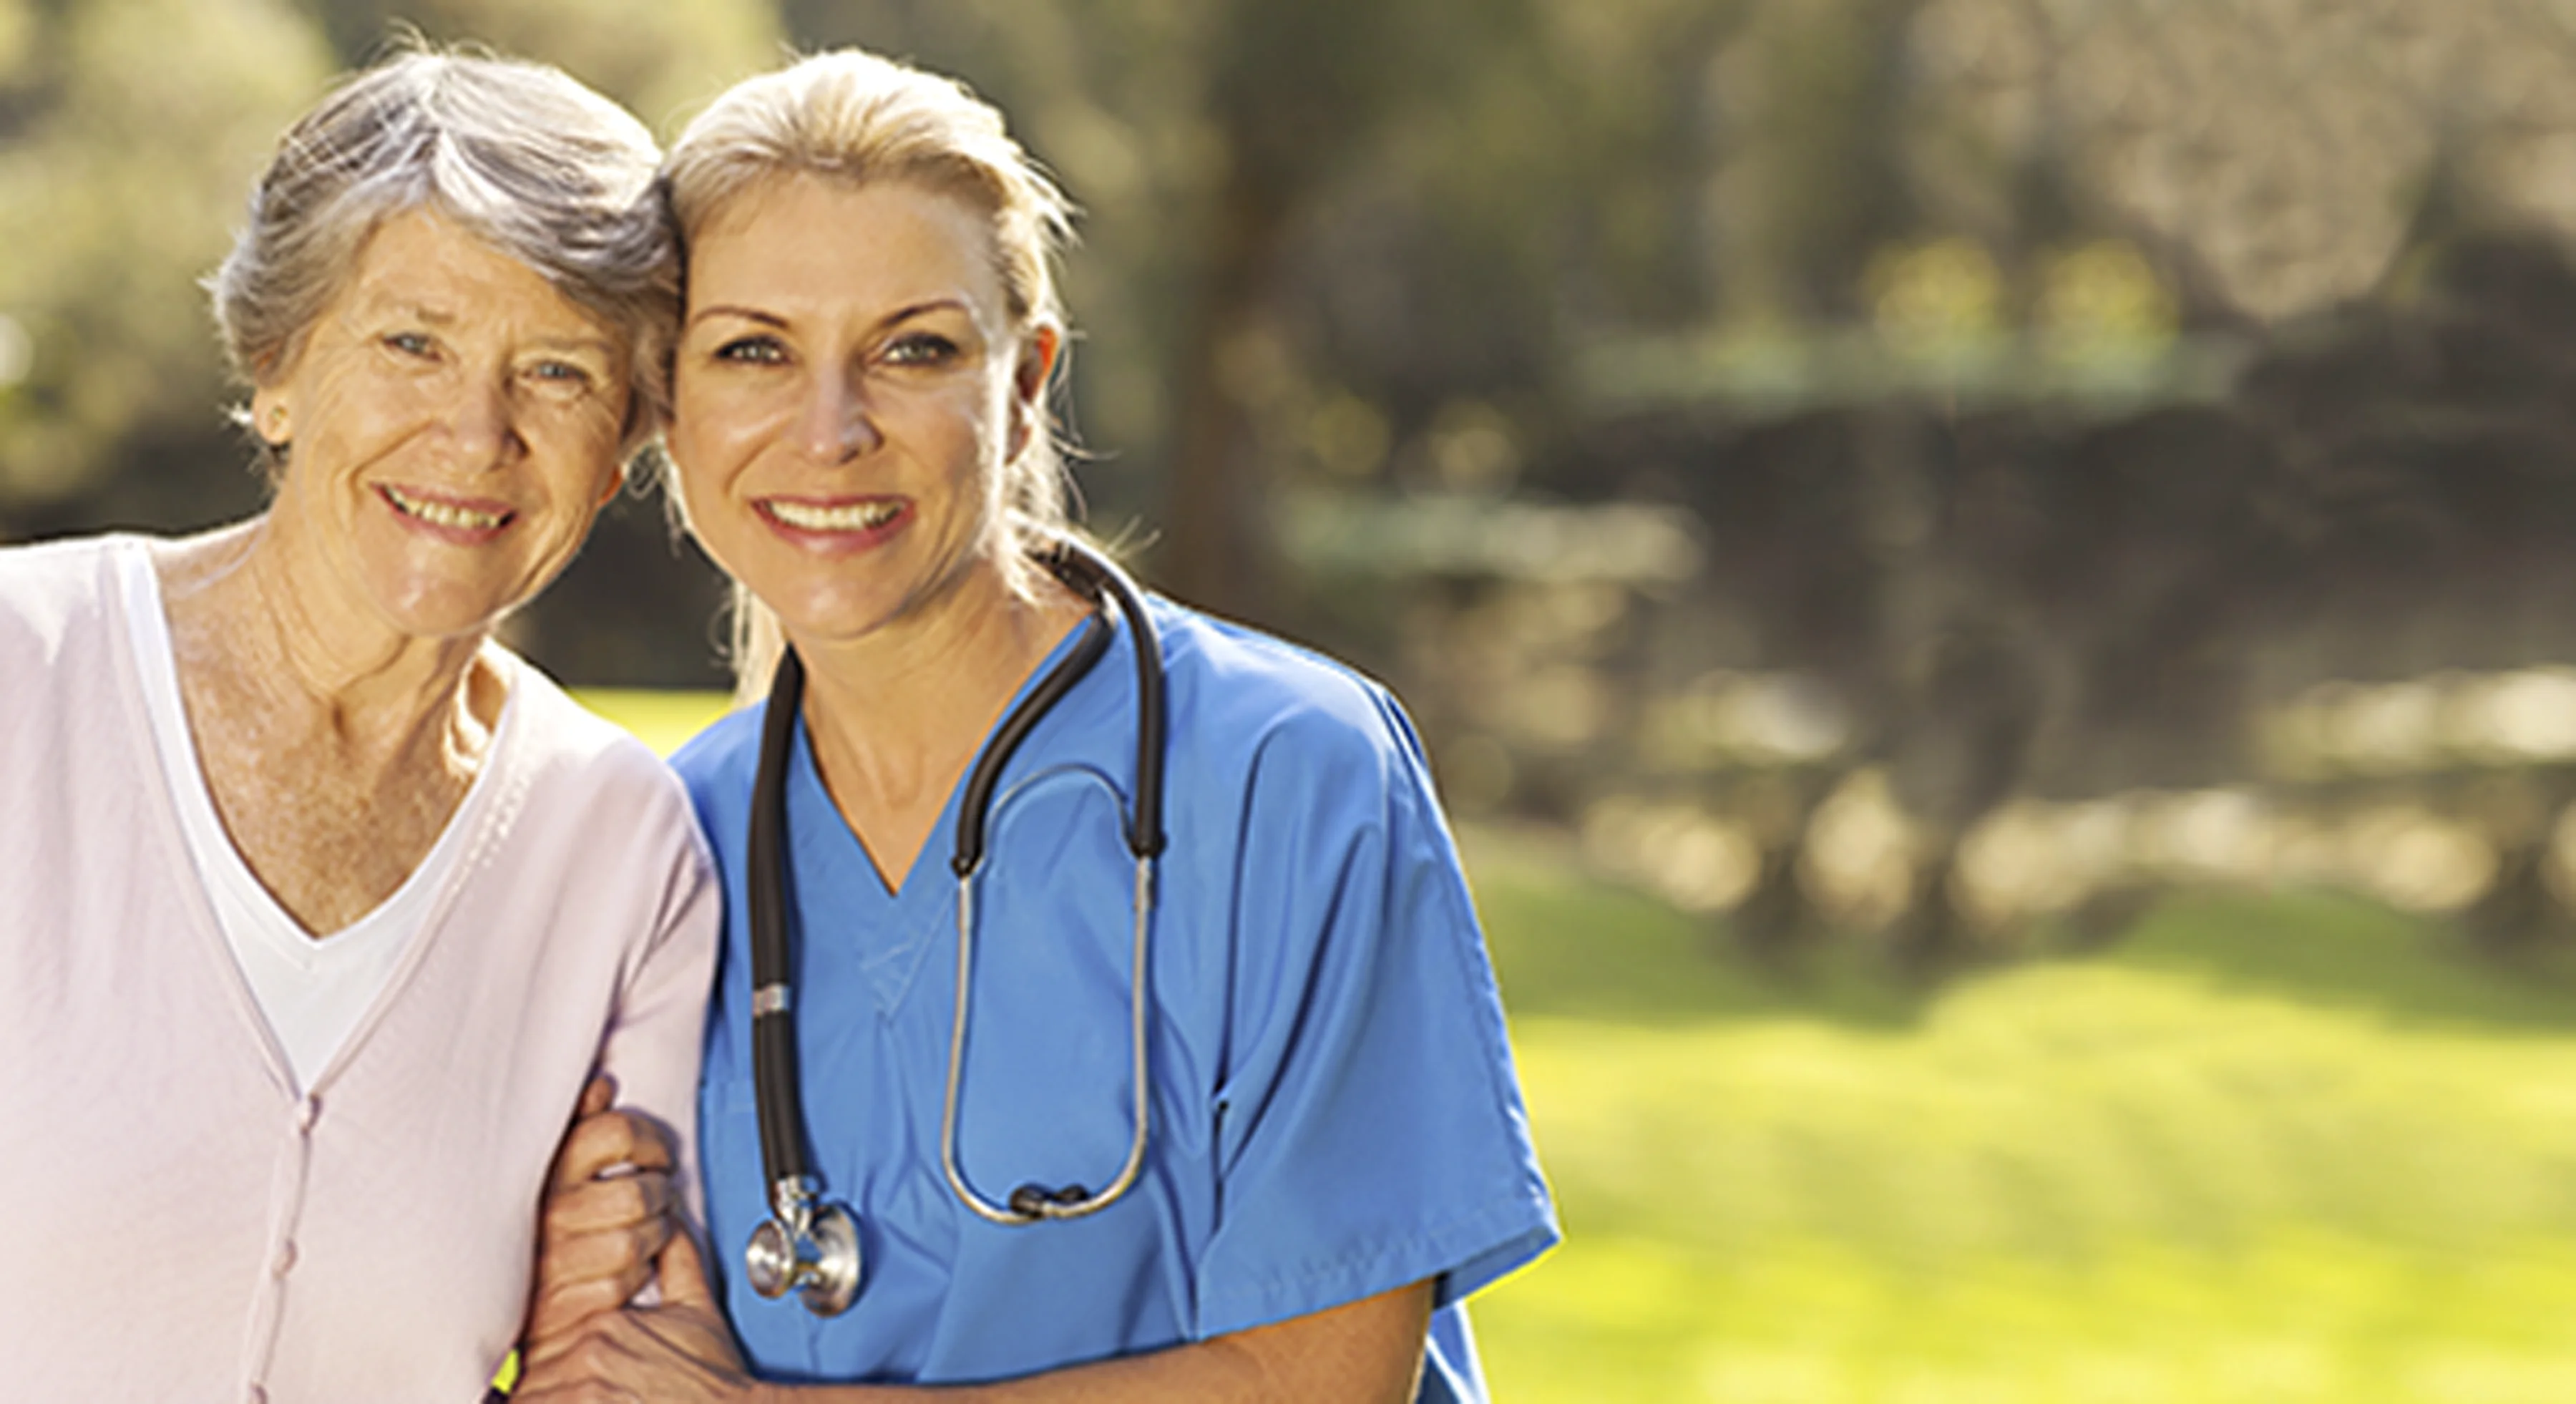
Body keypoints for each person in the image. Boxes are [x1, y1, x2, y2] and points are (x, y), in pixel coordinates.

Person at [512, 48, 1556, 1403]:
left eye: (915, 349)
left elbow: (1321, 1376)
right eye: (754, 350)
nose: (829, 431)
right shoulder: (667, 845)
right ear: (671, 400)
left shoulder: (1288, 776)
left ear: (1023, 387)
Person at [0, 50, 719, 1401]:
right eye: (412, 343)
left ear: (623, 443)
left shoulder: (621, 847)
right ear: (276, 365)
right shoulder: (21, 672)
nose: (475, 432)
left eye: (558, 373)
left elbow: (605, 1370)